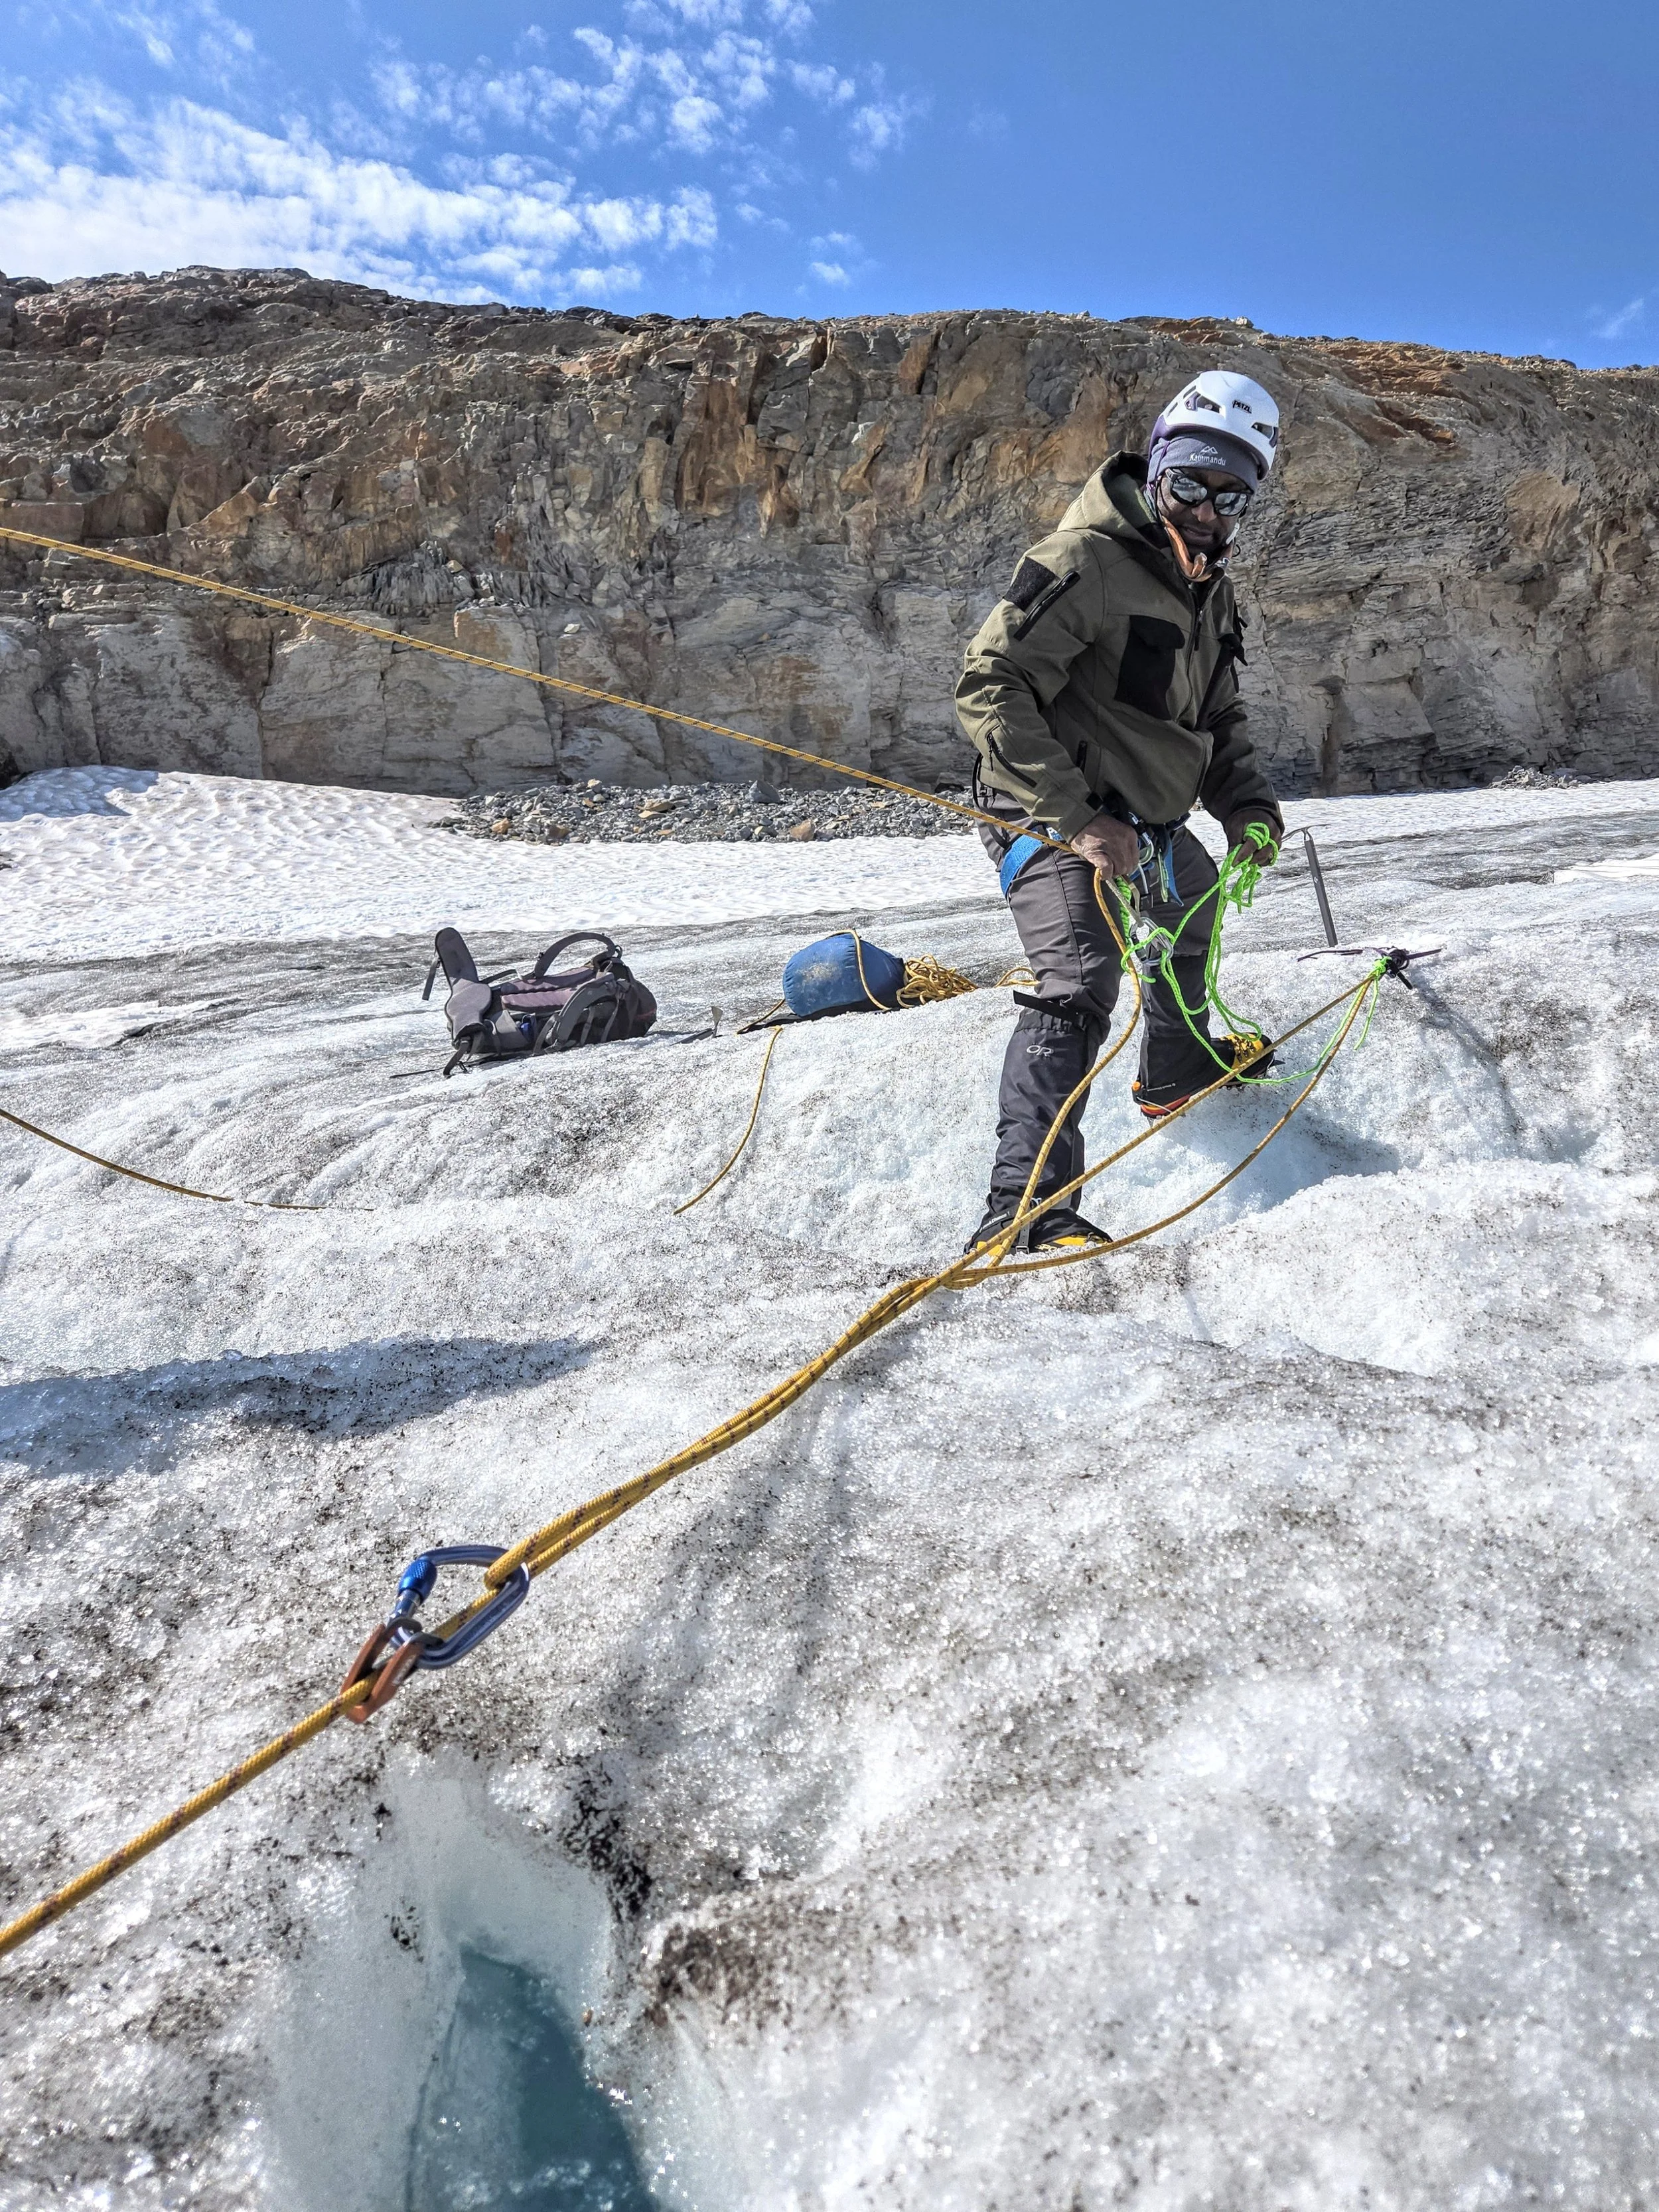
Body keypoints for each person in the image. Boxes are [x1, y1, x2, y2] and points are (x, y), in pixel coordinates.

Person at [955, 370, 1287, 1254]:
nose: (1209, 510)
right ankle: (1024, 1211)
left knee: (1194, 897)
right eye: (1192, 486)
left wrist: (1248, 806)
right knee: (1081, 978)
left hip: (1142, 819)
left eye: (1232, 496)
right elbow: (988, 686)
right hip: (1043, 807)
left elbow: (1217, 721)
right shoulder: (1085, 563)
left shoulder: (1209, 593)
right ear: (1160, 471)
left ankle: (1175, 1070)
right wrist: (1074, 819)